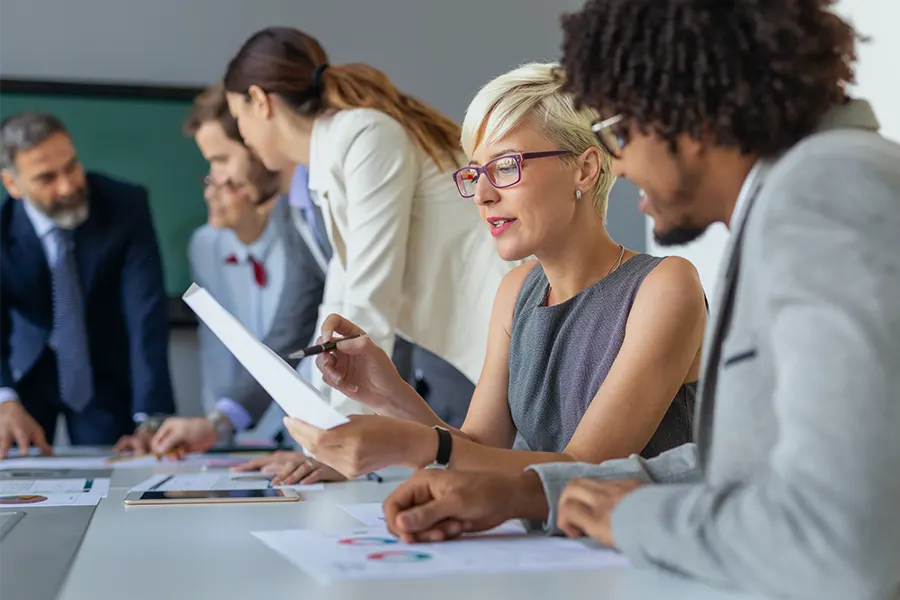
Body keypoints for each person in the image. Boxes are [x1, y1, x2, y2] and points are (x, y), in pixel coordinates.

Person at [380, 2, 900, 598]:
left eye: (622, 133)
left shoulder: (828, 198)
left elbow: (842, 545)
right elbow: (746, 465)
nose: (619, 166)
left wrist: (629, 520)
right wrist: (536, 493)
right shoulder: (812, 190)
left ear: (686, 109)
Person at [267, 62, 706, 483]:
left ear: (586, 169)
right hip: (561, 552)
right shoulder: (516, 291)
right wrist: (385, 394)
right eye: (476, 172)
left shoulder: (664, 286)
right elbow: (478, 449)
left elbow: (585, 471)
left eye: (506, 166)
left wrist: (419, 447)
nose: (482, 194)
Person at [221, 27, 508, 425]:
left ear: (259, 101)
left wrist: (339, 436)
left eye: (239, 120)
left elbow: (369, 303)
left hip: (515, 343)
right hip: (491, 355)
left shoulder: (365, 136)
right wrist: (321, 435)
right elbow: (339, 305)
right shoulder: (333, 155)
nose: (244, 139)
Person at [146, 84, 330, 469]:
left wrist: (333, 441)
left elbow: (360, 316)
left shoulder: (314, 199)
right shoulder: (292, 209)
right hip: (308, 427)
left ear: (254, 137)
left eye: (220, 159)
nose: (215, 181)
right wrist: (220, 421)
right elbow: (287, 330)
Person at [0, 112, 175, 456]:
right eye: (46, 178)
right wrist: (4, 398)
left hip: (101, 371)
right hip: (25, 370)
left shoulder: (126, 206)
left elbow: (145, 312)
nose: (67, 186)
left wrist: (151, 418)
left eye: (71, 166)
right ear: (13, 184)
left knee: (121, 470)